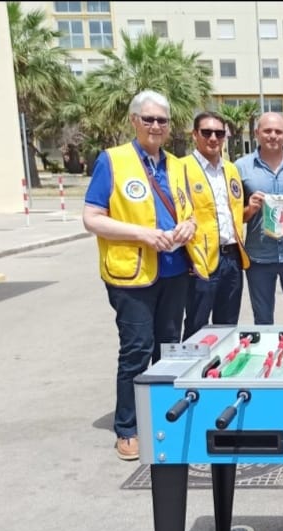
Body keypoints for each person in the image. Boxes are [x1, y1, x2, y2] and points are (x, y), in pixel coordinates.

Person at [81, 90, 203, 461]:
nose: (155, 126)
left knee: (169, 346)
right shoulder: (113, 161)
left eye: (161, 120)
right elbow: (92, 217)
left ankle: (163, 416)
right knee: (136, 349)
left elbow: (192, 213)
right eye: (148, 119)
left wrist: (187, 228)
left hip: (175, 269)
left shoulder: (179, 165)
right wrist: (143, 235)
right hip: (132, 273)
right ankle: (128, 427)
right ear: (134, 121)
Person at [235, 112, 283, 325]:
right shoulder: (240, 168)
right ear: (256, 133)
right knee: (262, 320)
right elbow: (233, 216)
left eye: (278, 131)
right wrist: (249, 210)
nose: (273, 136)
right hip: (259, 257)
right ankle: (268, 358)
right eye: (267, 131)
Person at [181, 111, 247, 339]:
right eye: (206, 132)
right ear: (195, 135)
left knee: (228, 325)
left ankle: (220, 372)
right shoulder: (181, 169)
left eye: (219, 133)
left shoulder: (231, 169)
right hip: (199, 259)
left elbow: (235, 213)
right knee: (197, 325)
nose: (213, 138)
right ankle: (193, 372)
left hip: (232, 258)